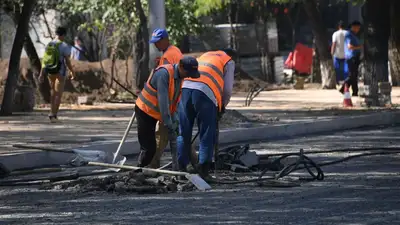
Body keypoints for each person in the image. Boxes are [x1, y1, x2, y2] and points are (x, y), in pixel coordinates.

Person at [177, 48, 236, 179]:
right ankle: (203, 170)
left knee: (183, 131)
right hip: (205, 93)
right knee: (207, 132)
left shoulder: (206, 55)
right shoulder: (229, 61)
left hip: (185, 88)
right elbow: (227, 90)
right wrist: (221, 107)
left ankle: (181, 169)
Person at [134, 56, 200, 170]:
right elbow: (163, 103)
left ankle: (169, 169)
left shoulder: (180, 76)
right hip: (145, 111)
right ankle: (139, 172)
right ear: (180, 66)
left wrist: (175, 117)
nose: (189, 75)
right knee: (149, 148)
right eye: (188, 72)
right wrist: (169, 123)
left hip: (156, 112)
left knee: (168, 141)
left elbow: (173, 100)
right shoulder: (163, 74)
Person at [148, 28, 184, 169]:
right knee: (179, 134)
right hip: (177, 98)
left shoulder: (167, 57)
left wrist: (164, 109)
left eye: (158, 42)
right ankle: (189, 163)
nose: (156, 45)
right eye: (154, 43)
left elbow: (163, 83)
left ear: (165, 40)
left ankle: (152, 165)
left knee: (161, 134)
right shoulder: (174, 51)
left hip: (171, 101)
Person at [39, 26, 76, 123]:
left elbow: (44, 61)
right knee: (58, 95)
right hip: (60, 72)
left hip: (50, 72)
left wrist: (41, 74)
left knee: (53, 93)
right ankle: (53, 115)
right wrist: (72, 71)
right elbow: (67, 61)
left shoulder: (49, 45)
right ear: (63, 35)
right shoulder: (64, 45)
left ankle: (51, 112)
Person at [340, 20, 362, 96]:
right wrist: (360, 47)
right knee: (352, 75)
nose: (358, 30)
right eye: (357, 28)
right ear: (353, 27)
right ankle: (344, 88)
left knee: (354, 75)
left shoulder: (354, 35)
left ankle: (354, 91)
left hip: (355, 57)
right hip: (351, 57)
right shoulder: (349, 35)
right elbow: (350, 46)